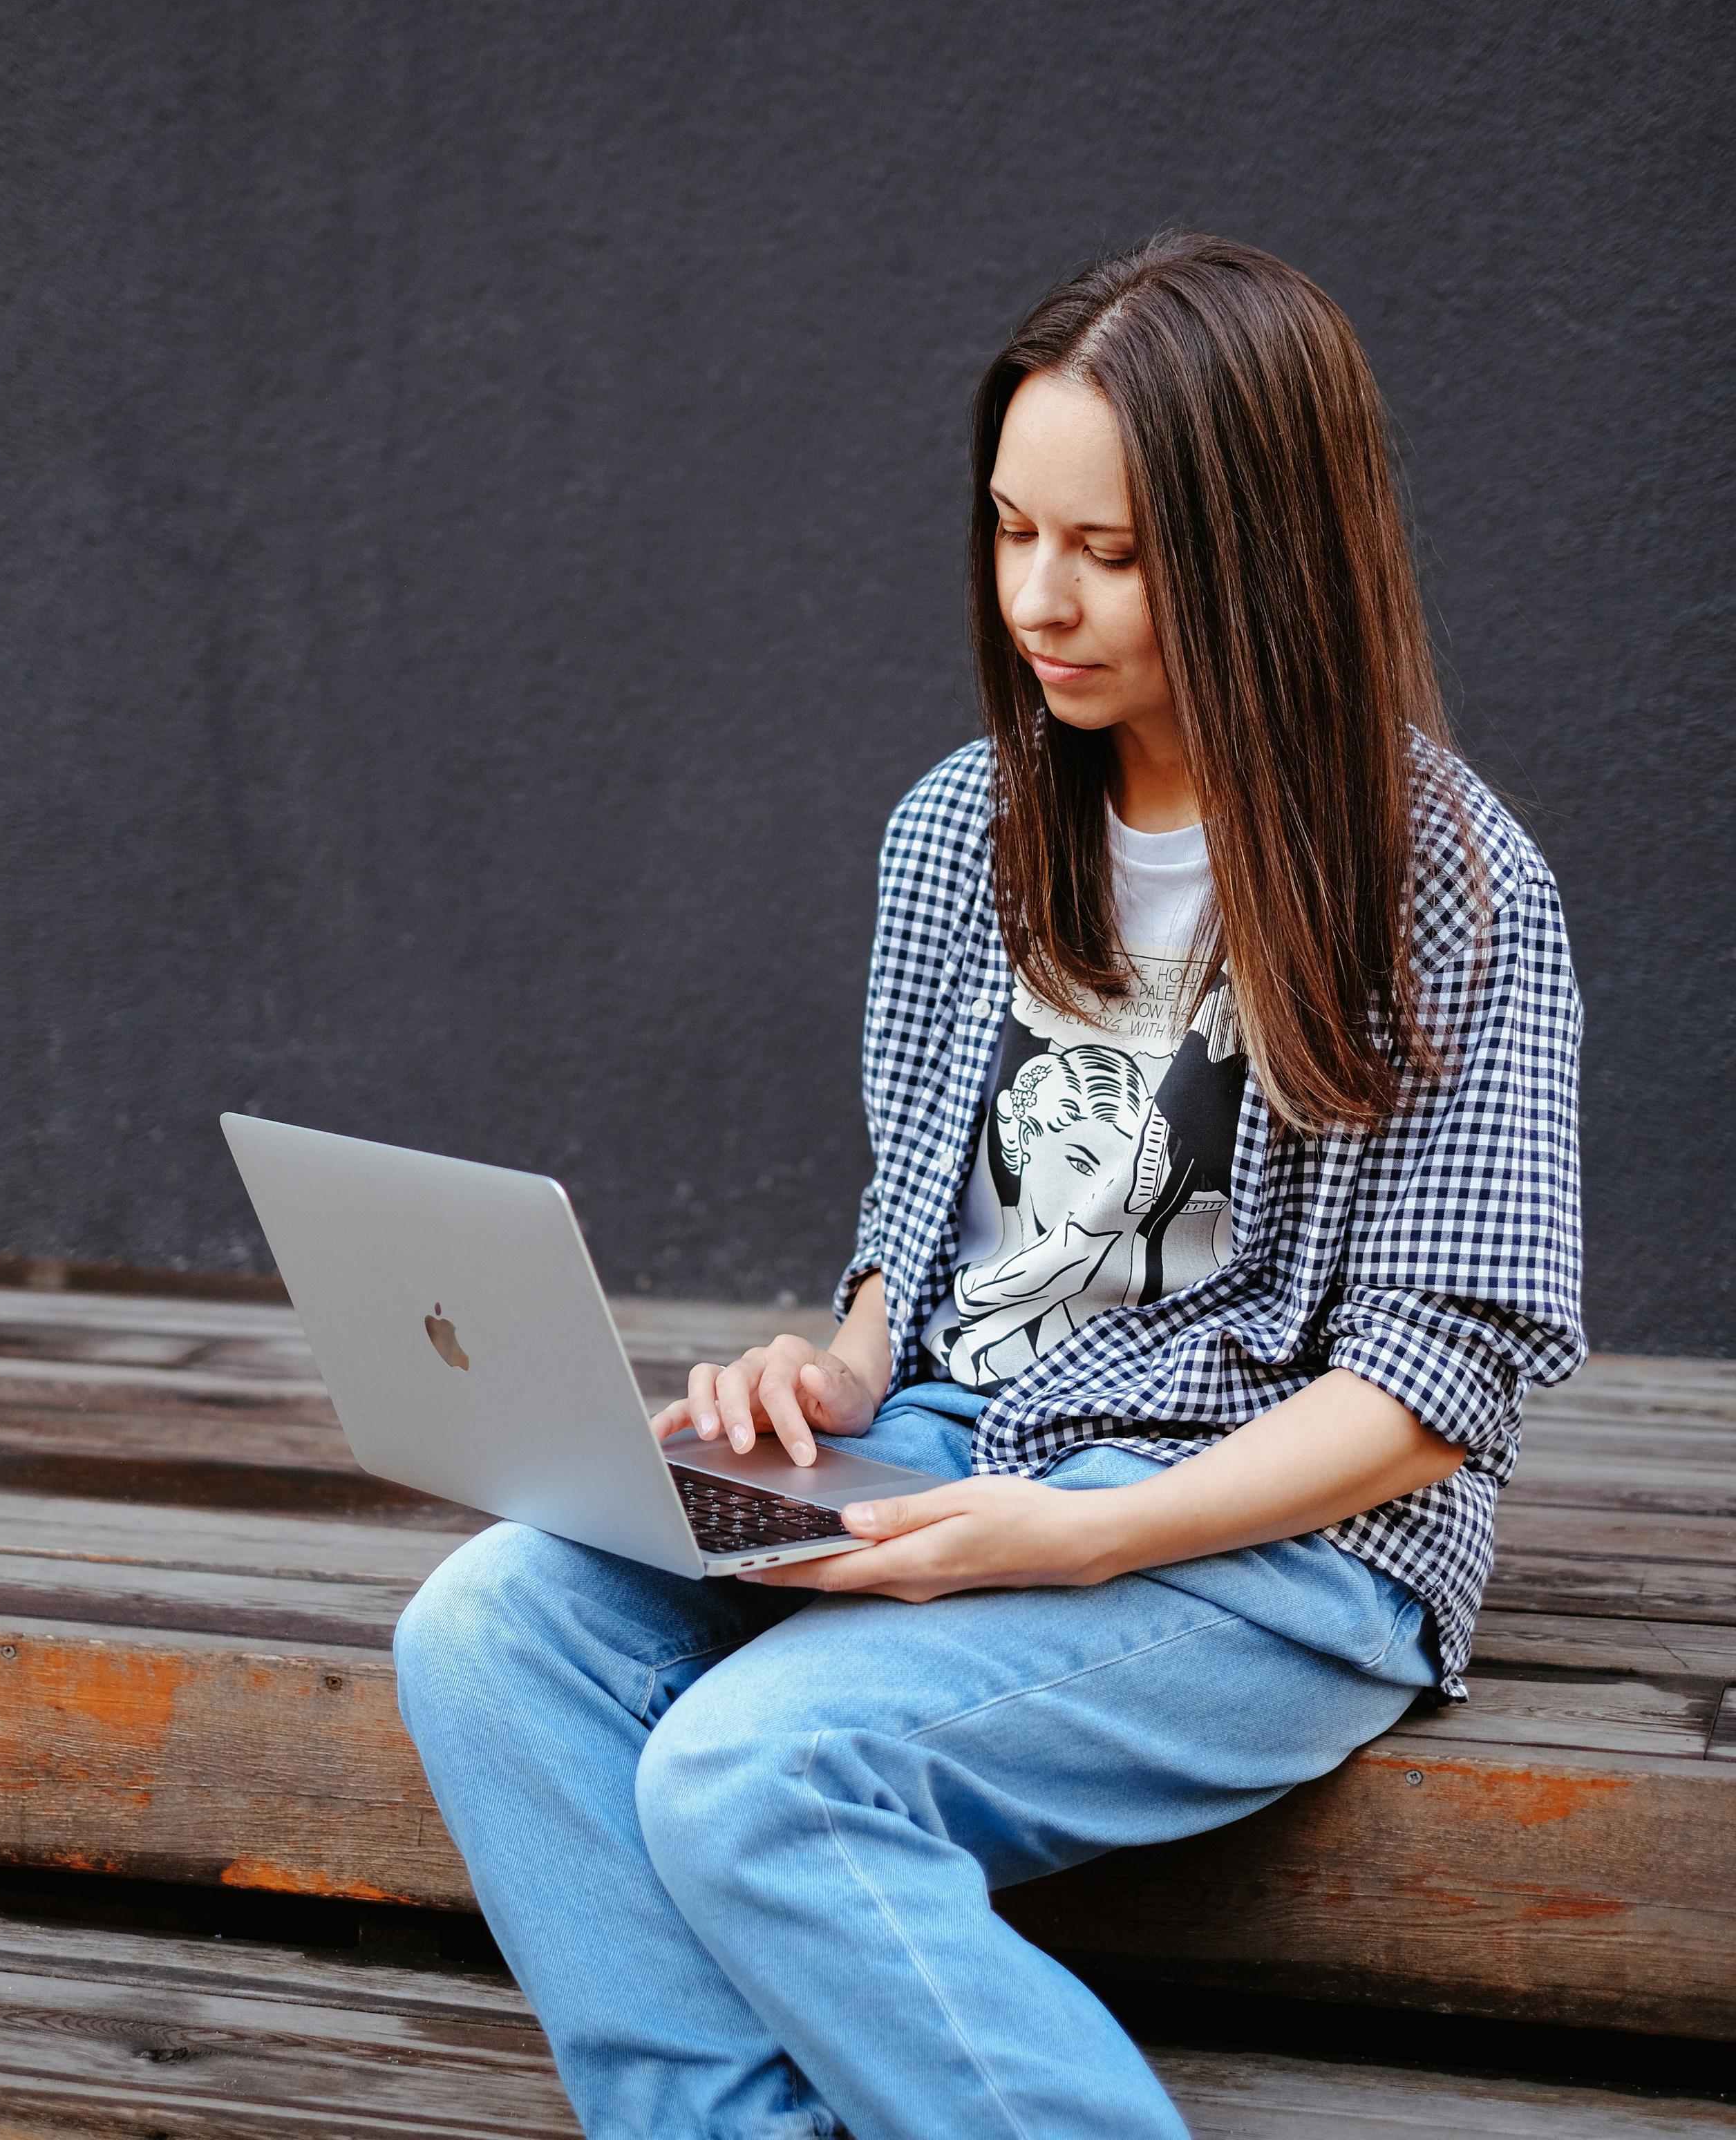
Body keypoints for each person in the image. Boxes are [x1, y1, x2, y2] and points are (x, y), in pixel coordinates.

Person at [393, 232, 1584, 2140]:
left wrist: (1087, 1538)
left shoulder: (1439, 876)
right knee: (486, 1630)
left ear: (1268, 550)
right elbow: (927, 1256)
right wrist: (838, 1377)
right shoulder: (967, 828)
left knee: (753, 1776)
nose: (1042, 597)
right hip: (967, 1442)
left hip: (1273, 1539)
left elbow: (1438, 1385)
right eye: (1014, 530)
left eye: (1110, 554)